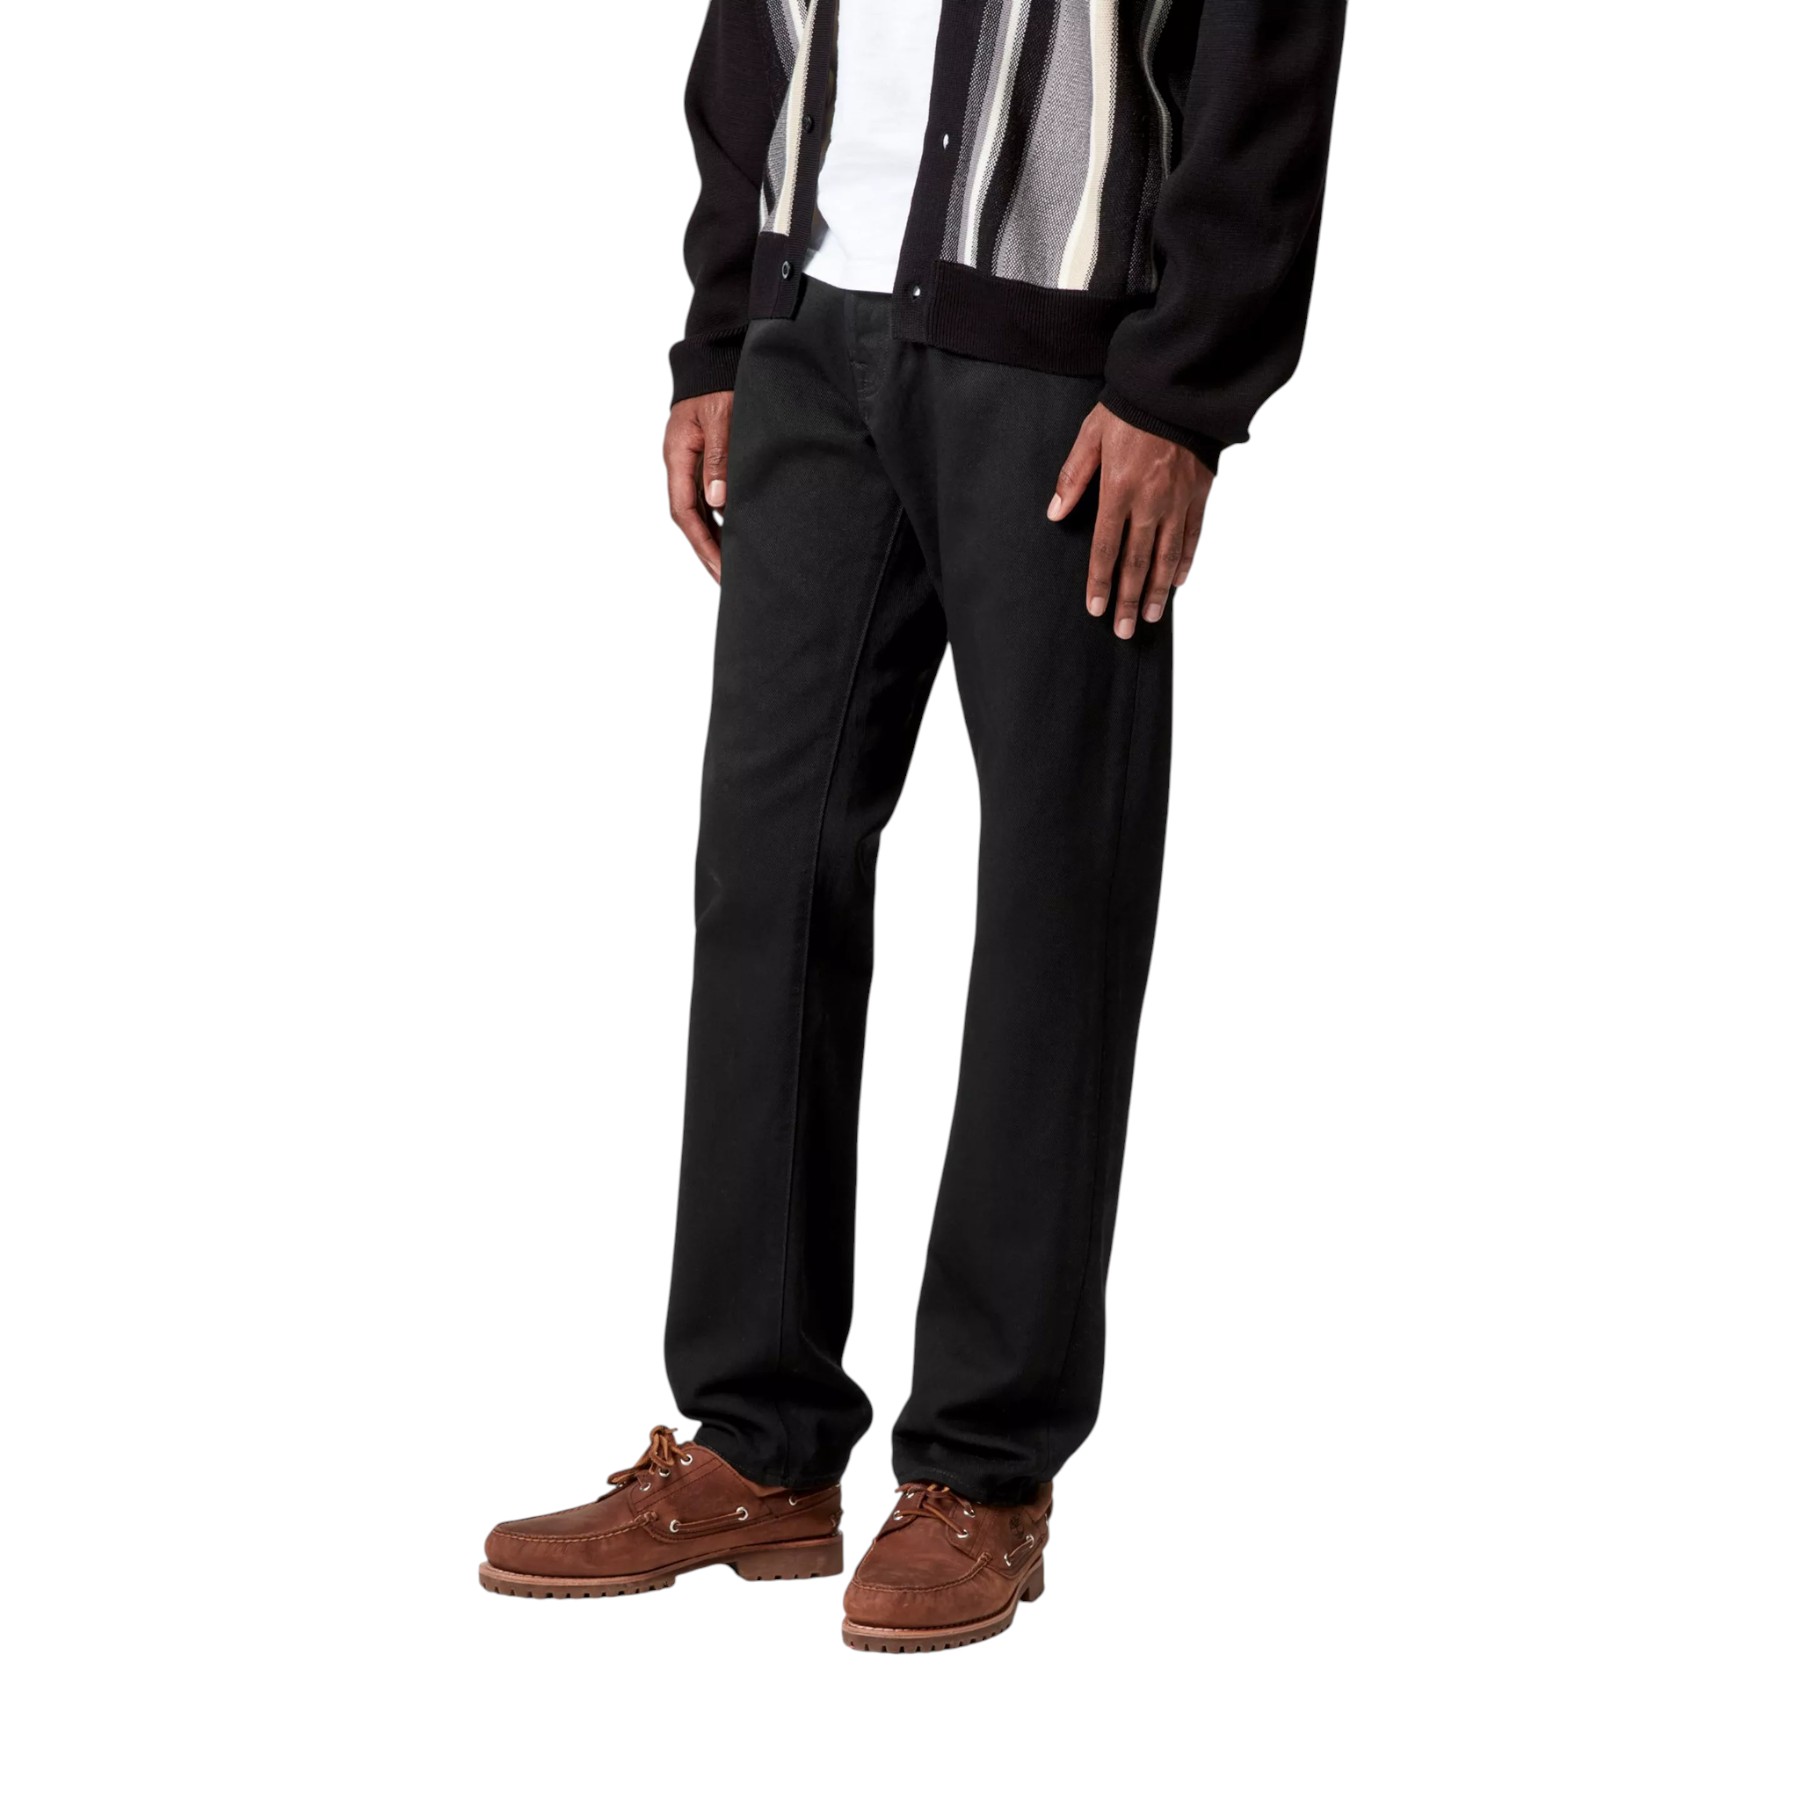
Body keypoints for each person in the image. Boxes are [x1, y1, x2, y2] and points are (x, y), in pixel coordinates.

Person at [479, 0, 1346, 1653]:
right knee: (765, 871)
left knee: (1054, 892)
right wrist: (724, 331)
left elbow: (1266, 48)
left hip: (1064, 361)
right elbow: (751, 33)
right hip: (812, 328)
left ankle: (983, 1472)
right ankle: (760, 1440)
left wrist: (1183, 388)